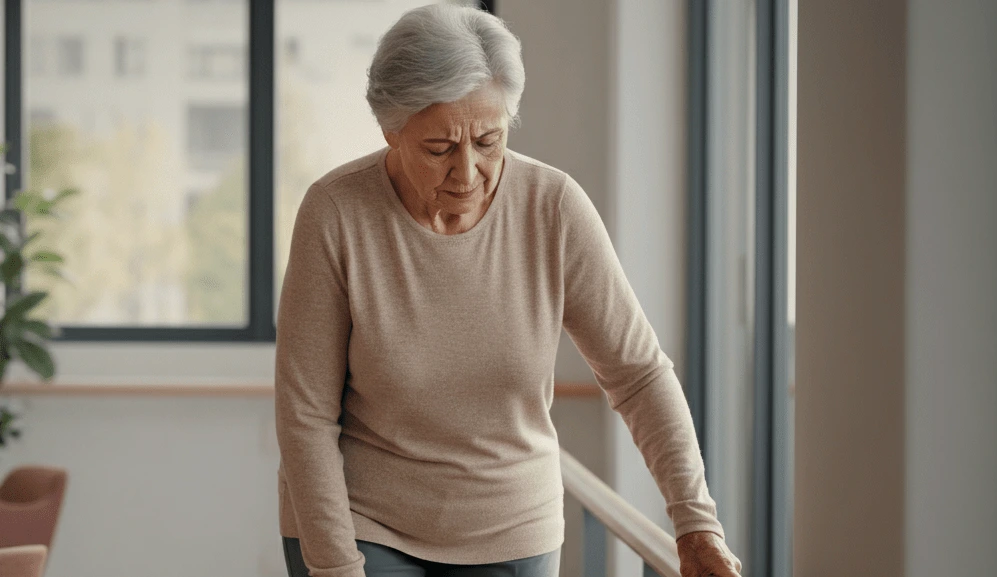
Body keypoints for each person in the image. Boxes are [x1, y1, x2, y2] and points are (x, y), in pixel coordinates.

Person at [274, 5, 743, 577]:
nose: (468, 172)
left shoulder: (554, 208)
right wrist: (335, 567)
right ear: (391, 130)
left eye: (489, 141)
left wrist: (695, 522)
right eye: (439, 148)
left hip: (511, 527)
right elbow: (306, 414)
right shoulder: (336, 212)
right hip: (361, 521)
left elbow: (638, 373)